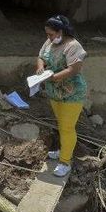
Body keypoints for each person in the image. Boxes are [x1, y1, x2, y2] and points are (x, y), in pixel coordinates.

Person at [36, 15, 87, 177]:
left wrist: (52, 77)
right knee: (61, 124)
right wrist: (40, 68)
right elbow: (41, 57)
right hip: (55, 92)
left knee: (67, 127)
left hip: (71, 93)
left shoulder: (73, 46)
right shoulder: (50, 42)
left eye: (51, 34)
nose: (48, 38)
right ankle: (62, 150)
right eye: (47, 34)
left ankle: (65, 162)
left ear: (61, 31)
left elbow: (74, 69)